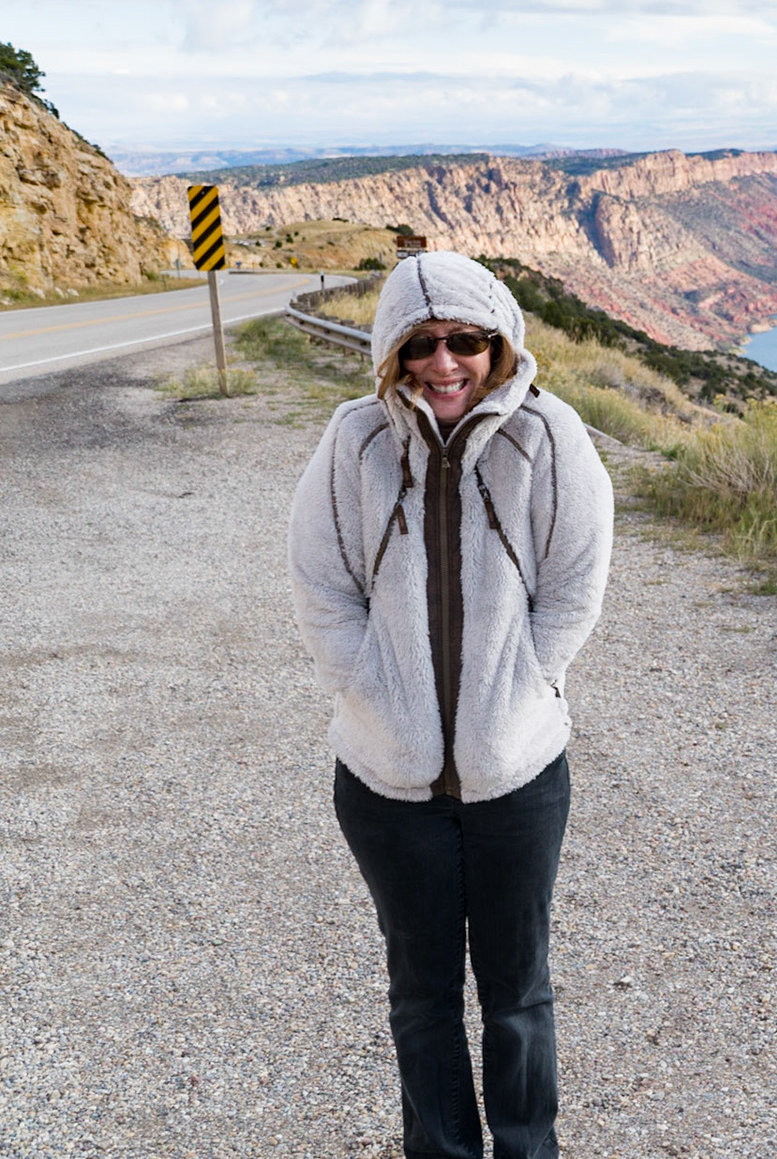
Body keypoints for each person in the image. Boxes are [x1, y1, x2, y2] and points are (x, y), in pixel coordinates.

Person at [289, 251, 614, 1159]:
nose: (445, 363)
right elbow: (322, 590)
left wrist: (521, 690)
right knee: (422, 995)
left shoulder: (551, 439)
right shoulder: (353, 441)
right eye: (422, 344)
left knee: (518, 994)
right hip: (386, 781)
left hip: (517, 774)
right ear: (392, 353)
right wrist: (374, 691)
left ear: (499, 343)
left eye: (466, 341)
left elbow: (574, 589)